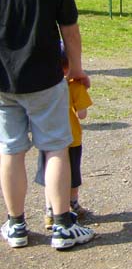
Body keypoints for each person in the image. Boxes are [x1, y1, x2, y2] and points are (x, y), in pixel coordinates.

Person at [0, 0, 95, 250]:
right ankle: (62, 225)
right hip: (45, 77)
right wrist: (77, 68)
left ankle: (16, 225)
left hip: (3, 81)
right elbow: (70, 31)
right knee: (55, 147)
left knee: (10, 150)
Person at [35, 44, 93, 229]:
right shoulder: (75, 85)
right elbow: (82, 114)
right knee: (72, 176)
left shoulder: (41, 87)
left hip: (47, 138)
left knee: (49, 176)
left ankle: (50, 211)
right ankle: (73, 204)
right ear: (69, 66)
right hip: (71, 138)